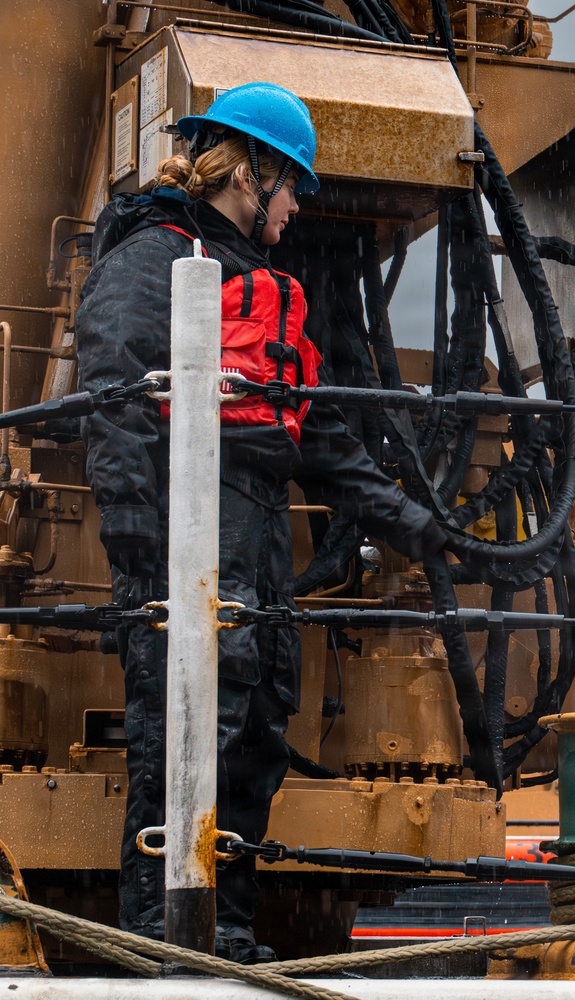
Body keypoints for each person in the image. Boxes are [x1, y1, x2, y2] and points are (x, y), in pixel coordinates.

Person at [76, 82, 447, 962]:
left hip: (255, 538)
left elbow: (310, 425)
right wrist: (134, 525)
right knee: (187, 729)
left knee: (255, 731)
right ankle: (164, 937)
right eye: (291, 190)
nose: (293, 211)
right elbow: (114, 381)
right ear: (250, 171)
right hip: (187, 527)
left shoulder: (256, 282)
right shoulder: (153, 257)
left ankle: (226, 931)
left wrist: (402, 515)